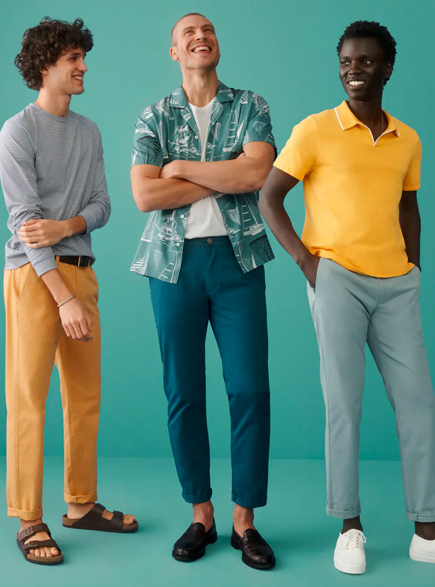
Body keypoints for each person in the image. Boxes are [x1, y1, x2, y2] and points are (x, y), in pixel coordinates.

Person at [259, 20, 435, 575]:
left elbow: (409, 205)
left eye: (365, 61)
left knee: (418, 404)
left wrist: (414, 266)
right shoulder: (316, 129)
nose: (353, 70)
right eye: (345, 61)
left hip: (396, 286)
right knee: (344, 404)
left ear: (387, 68)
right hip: (336, 275)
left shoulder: (407, 138)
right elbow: (271, 196)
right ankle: (349, 527)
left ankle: (428, 532)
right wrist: (308, 264)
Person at [130, 12, 276, 570]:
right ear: (174, 52)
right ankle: (202, 514)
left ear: (218, 45)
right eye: (187, 33)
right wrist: (224, 171)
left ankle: (245, 522)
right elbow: (144, 196)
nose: (199, 36)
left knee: (250, 390)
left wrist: (182, 169)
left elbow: (254, 176)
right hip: (173, 266)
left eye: (207, 30)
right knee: (183, 393)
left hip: (238, 265)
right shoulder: (154, 115)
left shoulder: (251, 106)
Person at [0, 17, 136, 566]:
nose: (83, 68)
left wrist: (65, 227)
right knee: (28, 397)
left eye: (83, 57)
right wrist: (62, 293)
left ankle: (80, 505)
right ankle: (29, 517)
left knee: (85, 396)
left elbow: (103, 205)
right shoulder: (18, 132)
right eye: (73, 58)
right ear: (45, 65)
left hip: (81, 269)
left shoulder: (90, 131)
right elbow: (26, 226)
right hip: (34, 279)